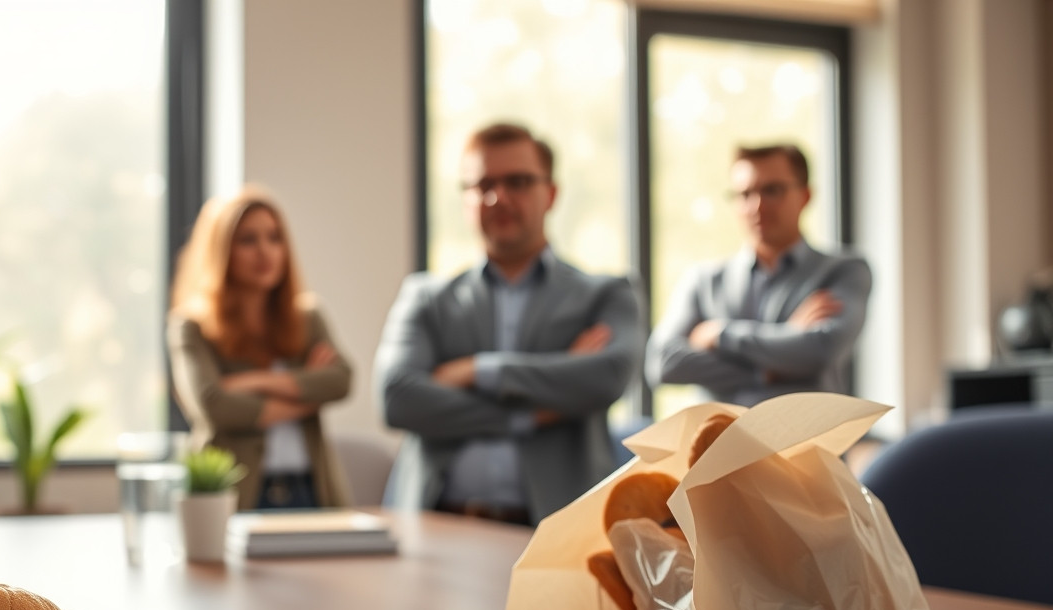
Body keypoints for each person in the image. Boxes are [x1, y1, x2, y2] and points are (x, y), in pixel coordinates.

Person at [374, 123, 643, 526]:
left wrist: (474, 371)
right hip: (437, 526)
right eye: (482, 185)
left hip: (557, 534)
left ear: (551, 193)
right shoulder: (426, 297)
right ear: (465, 199)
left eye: (517, 182)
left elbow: (607, 377)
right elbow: (397, 398)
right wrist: (533, 411)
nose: (498, 198)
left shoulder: (606, 294)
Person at [168, 186, 353, 511]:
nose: (265, 252)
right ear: (221, 251)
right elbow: (216, 406)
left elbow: (341, 380)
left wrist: (255, 382)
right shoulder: (192, 327)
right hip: (236, 497)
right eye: (248, 240)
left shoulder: (307, 318)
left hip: (311, 492)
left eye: (274, 237)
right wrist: (308, 390)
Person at [645, 144, 872, 407]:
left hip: (807, 443)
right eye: (744, 194)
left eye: (772, 190)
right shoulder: (704, 280)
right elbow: (663, 362)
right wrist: (773, 361)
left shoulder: (843, 271)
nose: (757, 205)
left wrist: (720, 334)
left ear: (806, 195)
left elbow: (820, 350)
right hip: (720, 444)